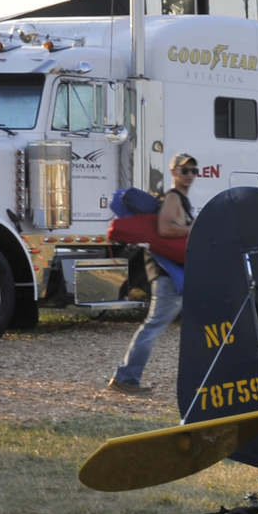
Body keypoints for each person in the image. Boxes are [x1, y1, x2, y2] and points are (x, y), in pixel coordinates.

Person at [108, 153, 198, 396]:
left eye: (193, 170)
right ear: (173, 172)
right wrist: (195, 228)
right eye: (184, 170)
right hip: (168, 275)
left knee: (197, 323)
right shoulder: (172, 198)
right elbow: (165, 229)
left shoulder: (181, 200)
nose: (189, 175)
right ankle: (125, 377)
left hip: (174, 274)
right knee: (153, 326)